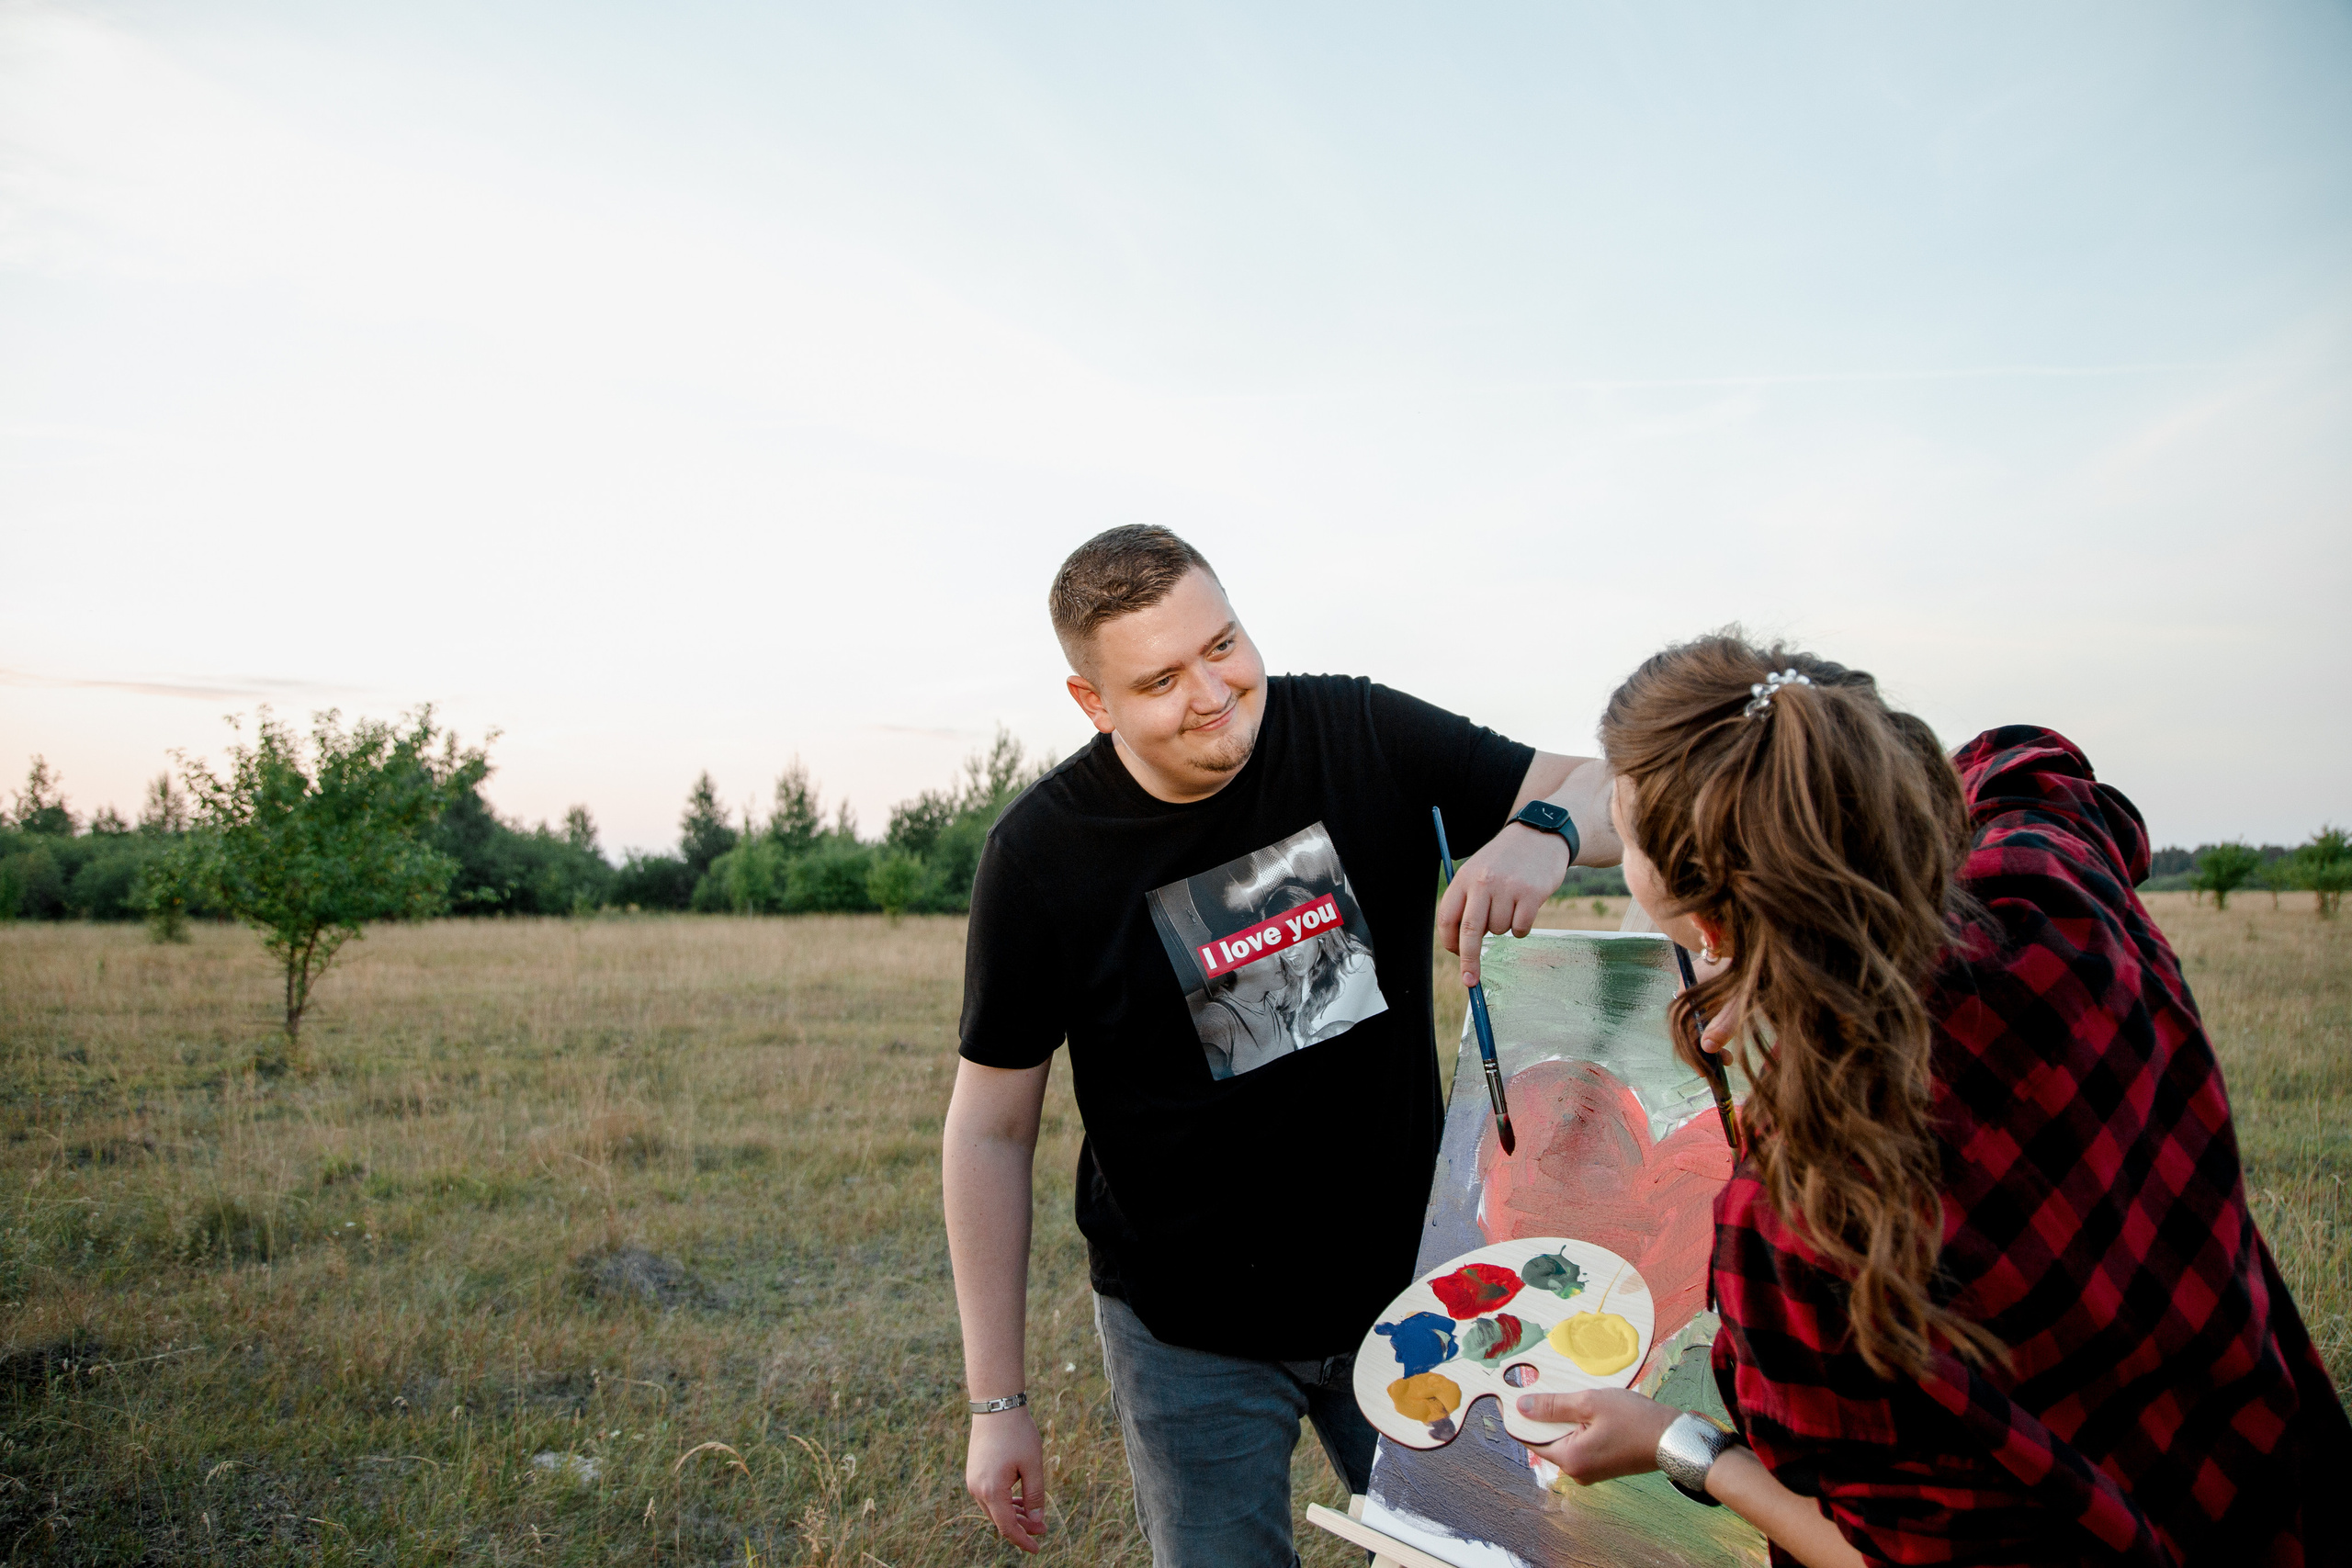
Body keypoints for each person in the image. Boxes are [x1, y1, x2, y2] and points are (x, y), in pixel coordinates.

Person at [1510, 633, 2351, 1567]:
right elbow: (2032, 760)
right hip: (2267, 1488)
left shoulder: (1799, 1218)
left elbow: (1885, 1557)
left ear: (1709, 928)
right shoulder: (2047, 883)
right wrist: (1815, 929)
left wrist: (1684, 1445)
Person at [940, 525, 1620, 1566]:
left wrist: (1545, 828)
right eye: (1161, 678)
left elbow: (1621, 789)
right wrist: (997, 1401)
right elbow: (989, 1132)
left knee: (1486, 1555)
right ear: (1094, 703)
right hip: (1186, 1333)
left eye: (1223, 644)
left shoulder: (1356, 729)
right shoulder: (1041, 855)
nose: (1212, 692)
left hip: (1409, 1291)